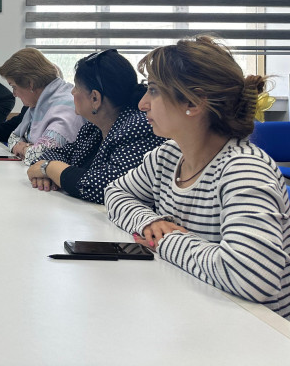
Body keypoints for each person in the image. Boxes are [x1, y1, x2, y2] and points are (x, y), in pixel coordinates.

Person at [106, 36, 290, 319]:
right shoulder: (168, 156)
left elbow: (253, 279)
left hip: (259, 333)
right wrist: (150, 222)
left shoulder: (243, 170)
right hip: (200, 311)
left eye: (153, 91)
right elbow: (116, 193)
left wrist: (164, 242)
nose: (143, 104)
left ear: (192, 102)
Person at [26, 49, 165, 203]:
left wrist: (48, 168)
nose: (72, 92)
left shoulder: (138, 126)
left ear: (95, 98)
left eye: (77, 87)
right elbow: (58, 153)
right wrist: (50, 171)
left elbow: (106, 186)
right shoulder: (92, 129)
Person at [0, 48, 83, 165]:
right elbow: (13, 137)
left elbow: (43, 157)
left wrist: (24, 148)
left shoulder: (67, 106)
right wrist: (29, 148)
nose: (14, 93)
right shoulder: (38, 104)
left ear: (30, 84)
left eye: (14, 86)